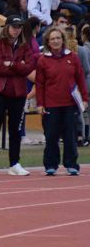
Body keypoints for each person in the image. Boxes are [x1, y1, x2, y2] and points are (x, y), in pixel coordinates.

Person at [0, 16, 37, 176]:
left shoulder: (25, 46)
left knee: (15, 130)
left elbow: (30, 67)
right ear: (7, 27)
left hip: (18, 93)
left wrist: (11, 64)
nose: (17, 29)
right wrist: (20, 66)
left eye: (19, 27)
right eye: (14, 26)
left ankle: (14, 163)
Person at [36, 25, 87, 174]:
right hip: (51, 104)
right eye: (52, 39)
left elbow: (80, 80)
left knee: (70, 136)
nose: (56, 41)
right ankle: (51, 165)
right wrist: (40, 103)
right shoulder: (43, 60)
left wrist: (84, 99)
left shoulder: (73, 57)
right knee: (51, 136)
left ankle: (71, 165)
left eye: (58, 38)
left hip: (70, 104)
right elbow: (39, 84)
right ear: (48, 42)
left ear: (63, 39)